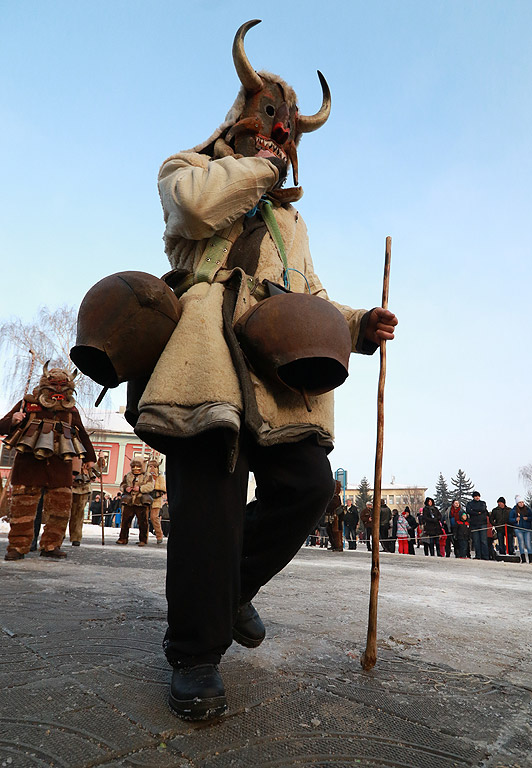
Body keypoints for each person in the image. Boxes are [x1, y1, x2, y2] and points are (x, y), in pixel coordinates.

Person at [123, 20, 397, 721]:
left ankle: (229, 587)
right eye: (270, 117)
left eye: (290, 131)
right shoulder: (188, 169)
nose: (281, 135)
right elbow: (194, 211)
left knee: (307, 488)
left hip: (274, 375)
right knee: (208, 503)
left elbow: (308, 298)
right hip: (201, 360)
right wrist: (259, 168)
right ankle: (195, 654)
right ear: (241, 118)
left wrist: (359, 324)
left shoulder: (291, 224)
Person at [0, 363, 95, 560]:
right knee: (22, 510)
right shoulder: (26, 404)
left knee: (60, 510)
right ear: (45, 386)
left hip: (60, 468)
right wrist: (14, 421)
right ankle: (17, 547)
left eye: (62, 387)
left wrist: (90, 459)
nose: (58, 392)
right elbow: (2, 426)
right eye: (54, 387)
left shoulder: (71, 411)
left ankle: (51, 546)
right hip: (28, 468)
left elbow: (83, 435)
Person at [116, 458, 155, 547]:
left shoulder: (147, 476)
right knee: (125, 521)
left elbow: (150, 486)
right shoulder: (128, 475)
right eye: (133, 466)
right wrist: (126, 488)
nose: (135, 468)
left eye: (138, 466)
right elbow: (122, 484)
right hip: (129, 501)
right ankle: (123, 538)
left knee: (142, 522)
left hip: (141, 501)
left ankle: (143, 540)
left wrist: (140, 488)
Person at [69, 462, 96, 546]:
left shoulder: (88, 456)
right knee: (65, 513)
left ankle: (76, 537)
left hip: (84, 487)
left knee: (79, 513)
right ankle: (59, 535)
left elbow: (97, 470)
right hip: (70, 486)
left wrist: (101, 459)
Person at [147, 458, 166, 545]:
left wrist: (157, 492)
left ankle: (159, 535)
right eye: (150, 466)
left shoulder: (160, 477)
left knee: (154, 518)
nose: (152, 468)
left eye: (154, 466)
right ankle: (144, 537)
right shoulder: (146, 477)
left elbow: (163, 488)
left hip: (156, 500)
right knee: (144, 518)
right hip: (146, 499)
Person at [466, 491, 489, 561]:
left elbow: (483, 509)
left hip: (483, 523)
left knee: (483, 540)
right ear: (473, 497)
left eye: (478, 496)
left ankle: (485, 556)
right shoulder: (470, 503)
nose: (477, 497)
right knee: (476, 541)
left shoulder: (483, 503)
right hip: (474, 524)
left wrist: (474, 511)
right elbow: (468, 511)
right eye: (476, 496)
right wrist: (477, 512)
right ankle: (478, 555)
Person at [509, 495, 532, 564]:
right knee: (521, 543)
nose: (521, 504)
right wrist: (515, 520)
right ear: (517, 503)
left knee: (528, 543)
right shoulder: (514, 510)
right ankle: (523, 558)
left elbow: (531, 517)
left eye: (522, 502)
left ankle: (530, 559)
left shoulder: (527, 510)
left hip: (527, 528)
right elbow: (510, 519)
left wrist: (527, 518)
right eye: (520, 502)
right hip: (518, 528)